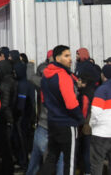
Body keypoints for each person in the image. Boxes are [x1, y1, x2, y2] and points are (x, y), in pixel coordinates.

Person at [38, 45, 84, 175]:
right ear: (57, 58)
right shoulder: (63, 76)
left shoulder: (46, 75)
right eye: (66, 56)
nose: (70, 59)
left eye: (70, 56)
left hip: (52, 121)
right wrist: (80, 118)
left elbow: (43, 99)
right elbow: (70, 103)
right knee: (70, 161)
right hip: (67, 123)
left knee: (52, 157)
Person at [89, 65, 111, 175]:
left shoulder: (102, 89)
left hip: (101, 133)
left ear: (103, 75)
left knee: (97, 163)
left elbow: (95, 111)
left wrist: (92, 124)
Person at [0, 59, 16, 175]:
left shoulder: (6, 83)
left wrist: (7, 120)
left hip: (5, 120)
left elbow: (5, 104)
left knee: (5, 148)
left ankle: (7, 170)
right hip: (6, 118)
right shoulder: (7, 80)